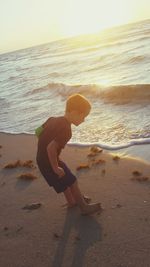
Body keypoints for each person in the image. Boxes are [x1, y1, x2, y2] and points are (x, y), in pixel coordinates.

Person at [36, 94, 101, 215]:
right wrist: (55, 167)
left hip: (41, 159)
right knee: (72, 181)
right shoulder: (66, 129)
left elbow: (38, 131)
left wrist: (44, 142)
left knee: (64, 179)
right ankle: (84, 207)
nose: (83, 120)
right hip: (50, 161)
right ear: (75, 112)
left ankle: (72, 201)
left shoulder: (52, 119)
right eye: (83, 116)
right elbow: (51, 148)